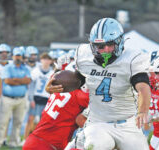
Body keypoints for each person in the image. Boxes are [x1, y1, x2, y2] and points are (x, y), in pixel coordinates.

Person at [46, 17, 151, 150]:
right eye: (100, 46)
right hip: (98, 122)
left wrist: (142, 111)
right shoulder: (84, 56)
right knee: (95, 145)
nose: (106, 49)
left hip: (129, 125)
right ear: (92, 45)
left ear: (120, 42)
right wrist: (53, 87)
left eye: (110, 44)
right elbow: (78, 81)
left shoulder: (132, 59)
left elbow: (143, 88)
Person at [23, 59, 90, 150]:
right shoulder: (80, 96)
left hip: (36, 140)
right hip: (47, 145)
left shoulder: (57, 87)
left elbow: (55, 75)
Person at [0, 47, 31, 148]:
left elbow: (28, 81)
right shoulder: (7, 67)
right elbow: (7, 81)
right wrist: (21, 80)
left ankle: (13, 142)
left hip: (21, 99)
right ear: (12, 56)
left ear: (21, 57)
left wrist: (15, 80)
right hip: (7, 99)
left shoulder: (25, 68)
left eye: (19, 56)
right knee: (3, 122)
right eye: (16, 55)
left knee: (18, 122)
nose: (17, 58)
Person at [23, 52, 54, 142]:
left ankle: (37, 140)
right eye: (44, 59)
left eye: (48, 59)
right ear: (41, 60)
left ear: (51, 61)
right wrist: (31, 99)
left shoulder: (52, 73)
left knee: (42, 121)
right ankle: (25, 139)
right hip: (35, 98)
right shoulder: (36, 71)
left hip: (46, 99)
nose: (46, 61)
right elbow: (31, 86)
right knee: (30, 119)